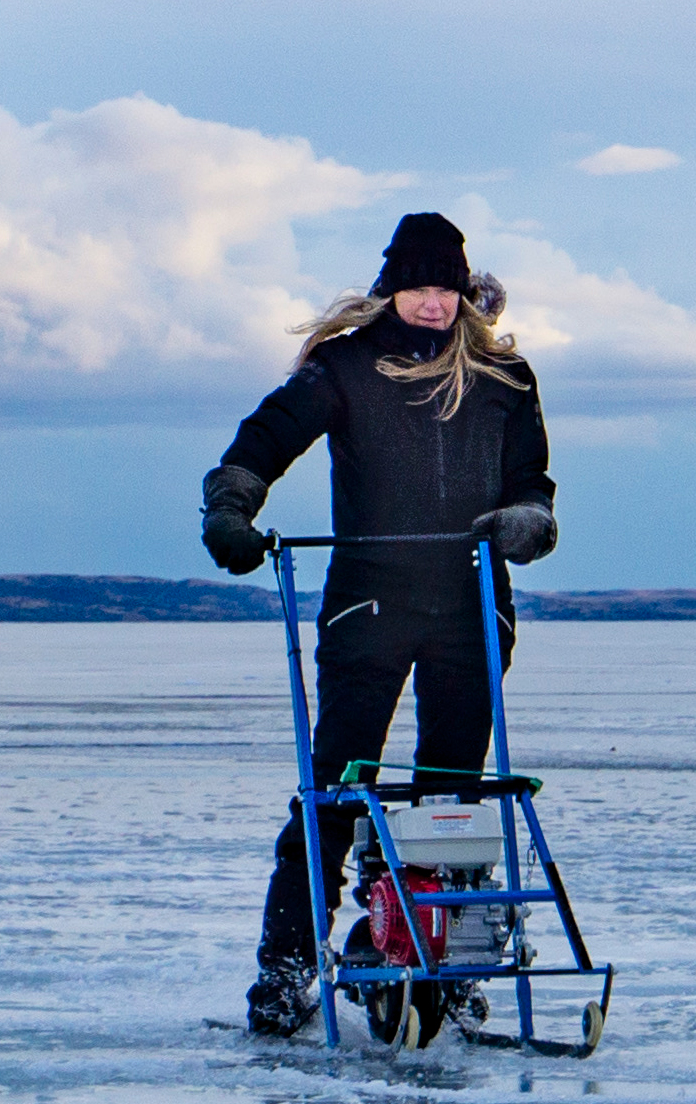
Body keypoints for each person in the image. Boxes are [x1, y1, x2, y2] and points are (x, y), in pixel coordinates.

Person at [198, 213, 557, 1036]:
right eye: (419, 287)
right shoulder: (346, 367)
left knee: (455, 798)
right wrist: (231, 506)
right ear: (393, 288)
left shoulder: (504, 376)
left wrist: (528, 523)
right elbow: (264, 439)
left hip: (470, 603)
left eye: (446, 289)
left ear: (465, 294)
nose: (433, 304)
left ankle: (450, 960)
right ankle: (285, 975)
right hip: (369, 606)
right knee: (336, 785)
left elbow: (532, 482)